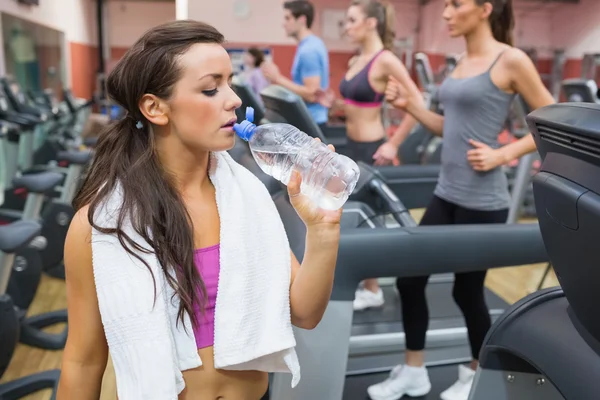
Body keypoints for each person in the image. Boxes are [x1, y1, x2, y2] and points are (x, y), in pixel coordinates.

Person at [56, 20, 342, 400]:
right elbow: (83, 361)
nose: (234, 100)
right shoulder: (102, 227)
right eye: (211, 88)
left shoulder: (248, 199)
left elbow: (304, 314)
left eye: (230, 83)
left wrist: (323, 231)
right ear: (155, 108)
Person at [366, 1, 555, 400]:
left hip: (483, 201)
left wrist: (503, 154)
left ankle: (476, 372)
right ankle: (414, 370)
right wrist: (412, 108)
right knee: (410, 280)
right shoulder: (460, 60)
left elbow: (553, 119)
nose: (446, 12)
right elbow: (446, 127)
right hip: (446, 192)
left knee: (466, 292)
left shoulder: (511, 59)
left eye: (455, 4)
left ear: (485, 8)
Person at [335, 0, 424, 311]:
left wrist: (394, 144)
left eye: (351, 20)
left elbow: (418, 102)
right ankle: (365, 282)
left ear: (371, 23)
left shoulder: (384, 60)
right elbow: (352, 104)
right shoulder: (356, 60)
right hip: (350, 147)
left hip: (374, 150)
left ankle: (373, 290)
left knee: (368, 221)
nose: (346, 27)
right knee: (354, 219)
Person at [261, 0, 330, 128]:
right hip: (311, 119)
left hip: (312, 121)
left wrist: (278, 78)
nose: (284, 24)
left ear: (302, 20)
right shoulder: (311, 44)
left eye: (288, 18)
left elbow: (311, 93)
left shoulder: (309, 50)